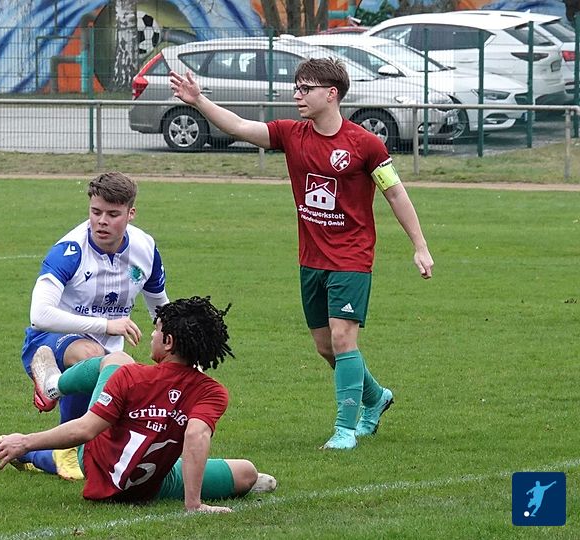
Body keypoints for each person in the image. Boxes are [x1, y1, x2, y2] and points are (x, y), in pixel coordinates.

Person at [168, 58, 434, 450]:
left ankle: (345, 430)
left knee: (343, 338)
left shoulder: (366, 144)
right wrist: (198, 101)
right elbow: (239, 127)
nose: (297, 95)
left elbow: (394, 193)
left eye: (305, 88)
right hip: (311, 259)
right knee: (326, 347)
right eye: (297, 87)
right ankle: (375, 397)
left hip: (352, 258)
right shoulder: (291, 134)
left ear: (331, 94)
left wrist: (420, 246)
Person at [0, 296, 277, 511]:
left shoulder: (130, 375)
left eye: (156, 330)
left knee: (116, 358)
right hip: (149, 485)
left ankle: (53, 386)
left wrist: (24, 441)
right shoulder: (212, 391)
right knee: (248, 473)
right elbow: (196, 435)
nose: (151, 335)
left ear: (168, 342)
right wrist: (194, 504)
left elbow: (86, 430)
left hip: (98, 466)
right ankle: (49, 401)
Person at [15, 172, 169, 478]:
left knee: (105, 456)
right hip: (48, 343)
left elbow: (160, 308)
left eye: (113, 214)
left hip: (108, 356)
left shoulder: (144, 248)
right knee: (91, 355)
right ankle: (51, 388)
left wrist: (181, 350)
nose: (101, 221)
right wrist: (106, 325)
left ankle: (26, 451)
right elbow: (40, 315)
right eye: (96, 212)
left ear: (131, 213)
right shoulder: (70, 250)